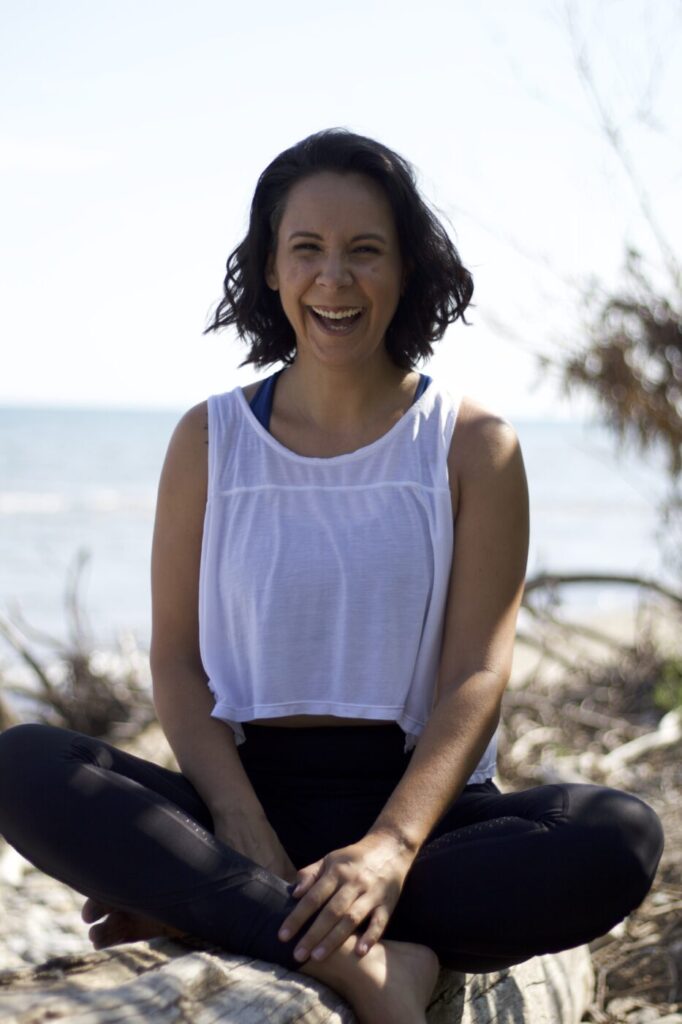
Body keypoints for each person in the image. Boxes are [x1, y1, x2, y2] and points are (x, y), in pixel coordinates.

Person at [0, 129, 664, 1024]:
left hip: (421, 815)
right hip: (242, 792)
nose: (335, 280)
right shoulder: (208, 440)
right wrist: (239, 824)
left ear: (406, 268)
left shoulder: (473, 447)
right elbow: (177, 663)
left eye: (365, 252)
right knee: (25, 765)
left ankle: (216, 912)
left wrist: (388, 849)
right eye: (306, 250)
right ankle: (353, 954)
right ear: (271, 270)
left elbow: (477, 673)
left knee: (617, 837)